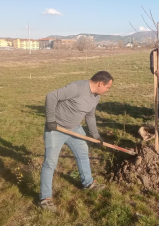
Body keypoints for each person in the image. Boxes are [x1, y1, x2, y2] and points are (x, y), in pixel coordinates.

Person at [39, 71, 113, 212]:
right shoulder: (77, 87)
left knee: (83, 153)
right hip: (56, 128)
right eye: (108, 87)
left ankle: (88, 183)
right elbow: (51, 96)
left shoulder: (95, 96)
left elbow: (90, 116)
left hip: (74, 129)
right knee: (50, 163)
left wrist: (96, 135)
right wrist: (50, 120)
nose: (107, 90)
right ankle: (45, 198)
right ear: (100, 83)